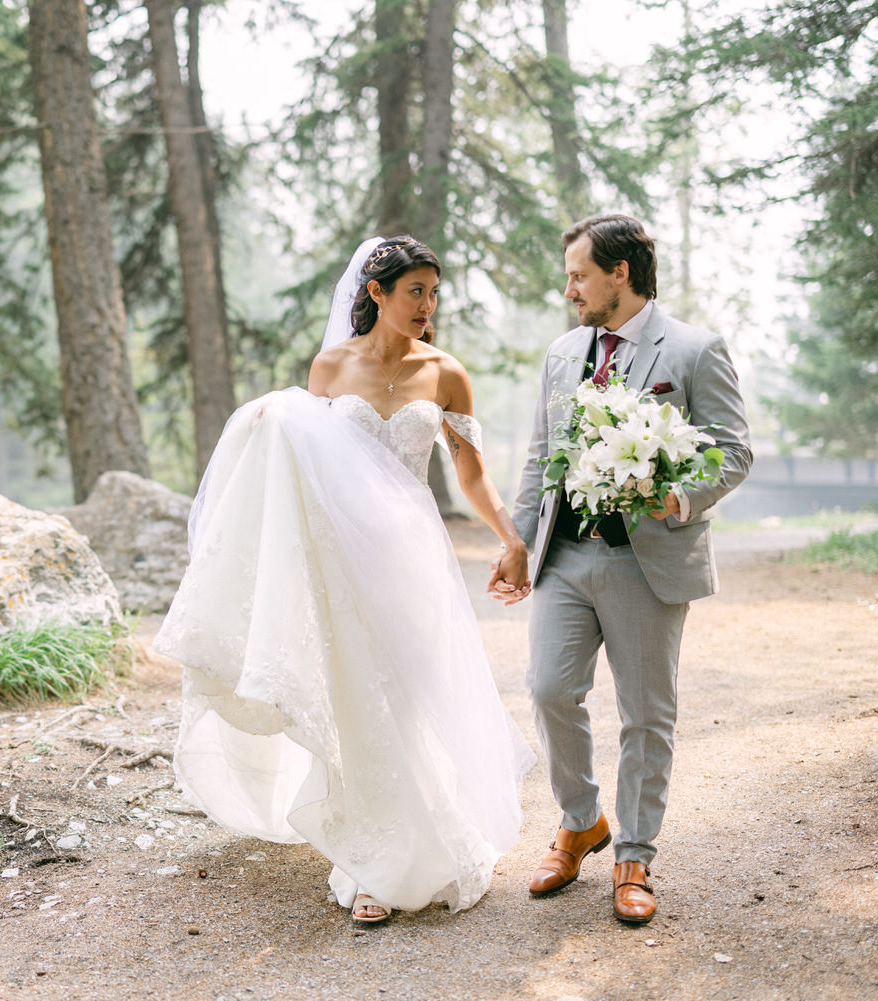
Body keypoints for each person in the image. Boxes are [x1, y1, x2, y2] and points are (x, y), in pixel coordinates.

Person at [153, 236, 534, 925]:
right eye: (414, 291)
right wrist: (268, 422)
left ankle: (432, 840)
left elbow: (470, 473)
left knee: (414, 696)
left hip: (413, 558)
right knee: (360, 700)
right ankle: (371, 861)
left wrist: (512, 539)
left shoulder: (447, 373)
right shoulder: (329, 368)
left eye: (434, 292)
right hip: (344, 563)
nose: (427, 306)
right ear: (376, 293)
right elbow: (304, 456)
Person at [507, 214, 752, 924]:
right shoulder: (561, 354)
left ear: (620, 272)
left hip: (650, 559)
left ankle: (635, 854)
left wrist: (675, 494)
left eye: (579, 274)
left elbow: (734, 450)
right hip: (568, 554)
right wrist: (519, 542)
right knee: (549, 687)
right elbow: (538, 458)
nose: (569, 288)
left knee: (647, 714)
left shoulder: (696, 349)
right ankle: (581, 819)